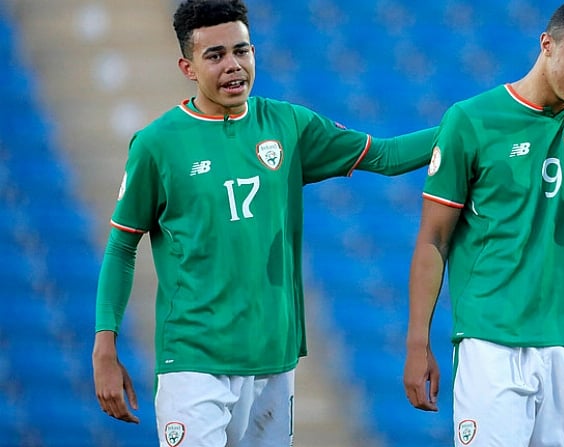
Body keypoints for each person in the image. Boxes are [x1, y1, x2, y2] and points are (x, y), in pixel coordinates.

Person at [91, 0, 435, 445]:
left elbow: (387, 156)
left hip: (274, 360)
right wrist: (105, 346)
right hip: (195, 360)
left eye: (242, 50)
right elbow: (121, 247)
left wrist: (474, 126)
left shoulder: (288, 124)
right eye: (215, 56)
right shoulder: (157, 145)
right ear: (187, 67)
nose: (233, 65)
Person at [402, 1, 564, 446]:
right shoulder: (472, 119)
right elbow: (433, 239)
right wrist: (417, 342)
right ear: (547, 45)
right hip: (494, 341)